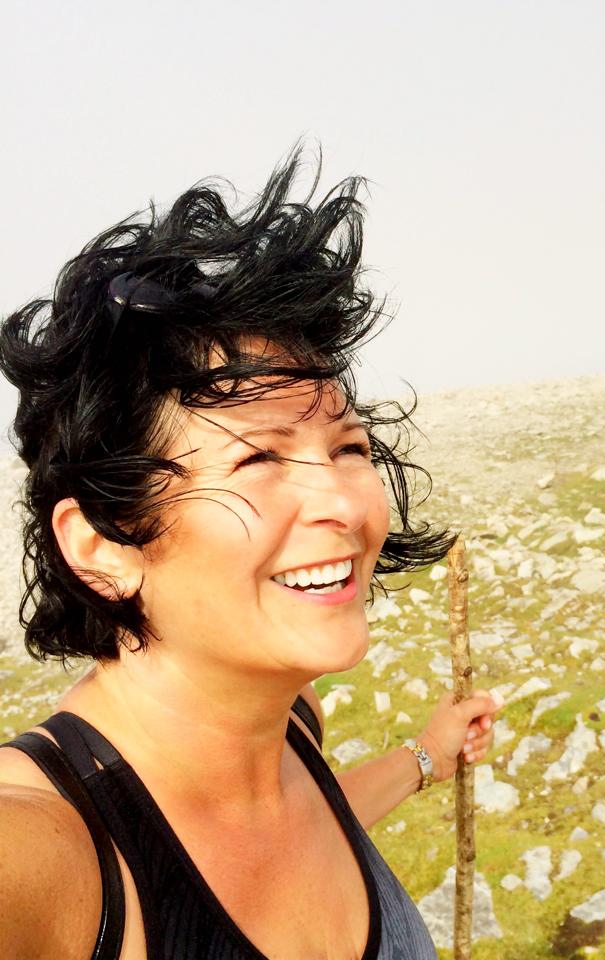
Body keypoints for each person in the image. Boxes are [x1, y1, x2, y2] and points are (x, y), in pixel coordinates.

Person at [0, 152, 501, 959]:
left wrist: (425, 755)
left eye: (348, 446)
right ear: (101, 545)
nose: (343, 501)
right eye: (257, 459)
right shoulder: (45, 852)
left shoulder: (293, 724)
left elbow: (306, 819)